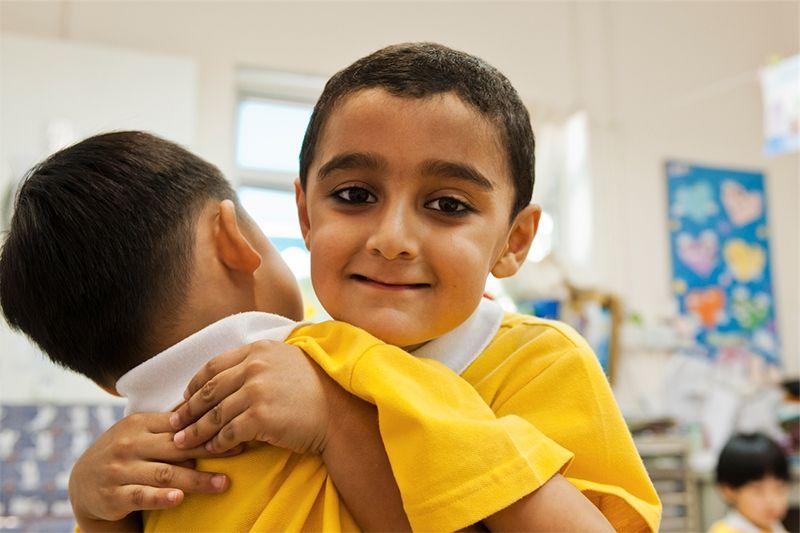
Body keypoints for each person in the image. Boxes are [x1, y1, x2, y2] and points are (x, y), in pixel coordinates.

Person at [54, 42, 661, 530]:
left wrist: (336, 423)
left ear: (514, 242)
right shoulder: (279, 364)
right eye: (354, 196)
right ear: (306, 216)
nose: (393, 237)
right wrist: (96, 507)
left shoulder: (539, 363)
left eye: (448, 205)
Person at [710, 433, 790, 533]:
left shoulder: (773, 526)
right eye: (758, 491)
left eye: (779, 489)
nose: (772, 501)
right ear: (728, 490)